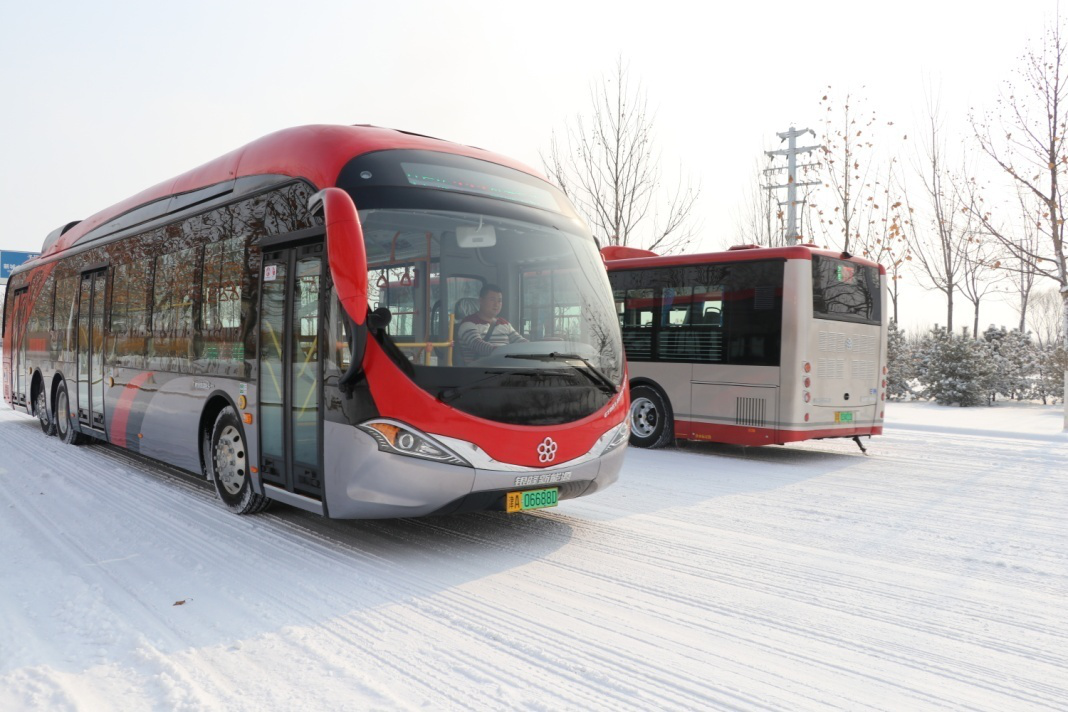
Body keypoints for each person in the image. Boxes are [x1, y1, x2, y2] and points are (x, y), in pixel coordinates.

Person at [457, 284, 527, 364]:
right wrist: (504, 352)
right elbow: (478, 345)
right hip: (478, 372)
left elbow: (519, 340)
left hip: (504, 368)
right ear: (481, 301)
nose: (496, 304)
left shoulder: (504, 323)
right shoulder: (468, 323)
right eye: (492, 299)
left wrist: (533, 347)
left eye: (499, 301)